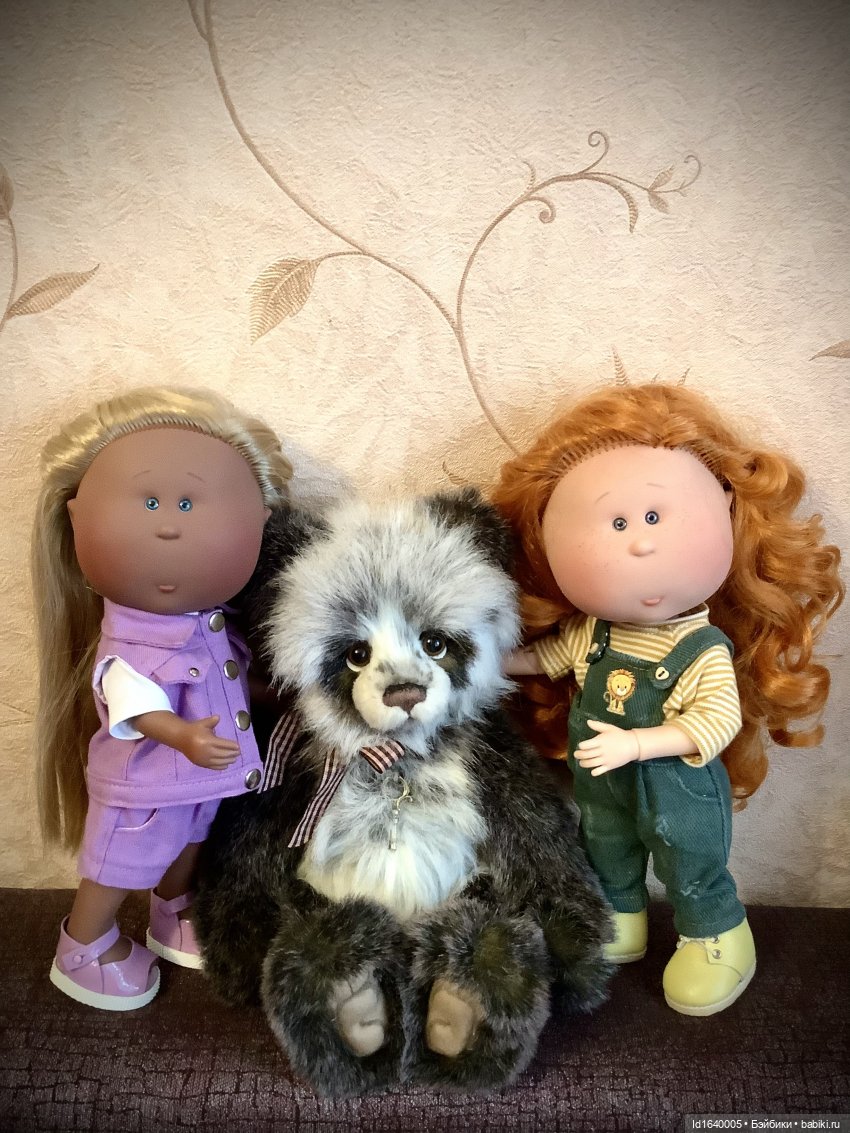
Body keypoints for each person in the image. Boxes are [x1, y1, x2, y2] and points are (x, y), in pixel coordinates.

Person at [492, 382, 843, 1015]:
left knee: (690, 864)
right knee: (607, 847)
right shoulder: (592, 632)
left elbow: (714, 720)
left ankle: (717, 937)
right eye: (617, 522)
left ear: (728, 510)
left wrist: (636, 744)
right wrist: (485, 662)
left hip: (679, 789)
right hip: (605, 786)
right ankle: (620, 917)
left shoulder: (701, 648)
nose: (640, 542)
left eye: (654, 517)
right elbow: (546, 659)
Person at [32, 385, 291, 1010]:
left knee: (189, 846)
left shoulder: (213, 626)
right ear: (76, 520)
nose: (170, 525)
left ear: (260, 520)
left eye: (188, 503)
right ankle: (83, 946)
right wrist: (183, 736)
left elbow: (230, 680)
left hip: (203, 780)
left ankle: (173, 913)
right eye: (149, 502)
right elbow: (132, 703)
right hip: (144, 785)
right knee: (120, 862)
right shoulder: (127, 645)